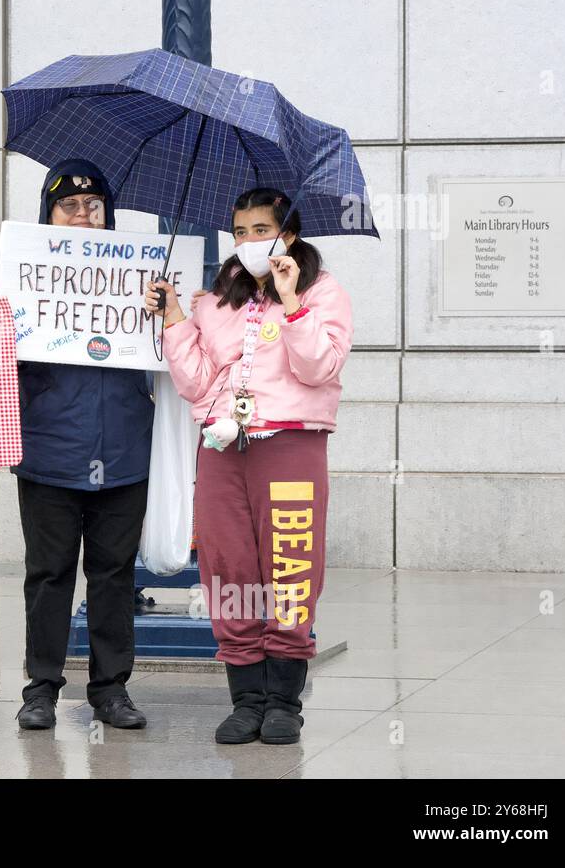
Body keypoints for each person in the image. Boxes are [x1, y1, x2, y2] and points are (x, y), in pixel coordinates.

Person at [145, 187, 353, 745]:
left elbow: (319, 368)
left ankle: (284, 701)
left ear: (288, 232)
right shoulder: (216, 300)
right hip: (221, 448)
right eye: (239, 232)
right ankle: (247, 699)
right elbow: (194, 382)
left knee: (288, 568)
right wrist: (175, 321)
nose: (249, 242)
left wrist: (292, 303)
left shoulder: (323, 292)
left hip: (289, 445)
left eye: (261, 230)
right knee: (228, 568)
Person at [0, 159, 153, 731]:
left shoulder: (141, 281)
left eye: (95, 206)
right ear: (48, 216)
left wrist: (169, 311)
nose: (83, 216)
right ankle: (41, 688)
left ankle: (111, 689)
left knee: (114, 575)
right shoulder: (21, 285)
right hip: (50, 454)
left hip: (125, 451)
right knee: (48, 575)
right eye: (70, 206)